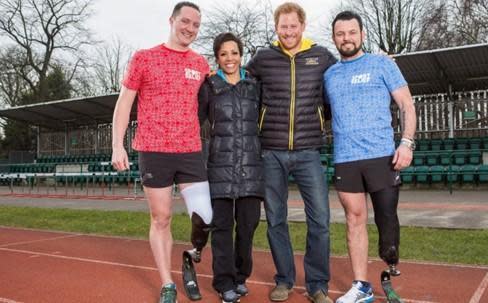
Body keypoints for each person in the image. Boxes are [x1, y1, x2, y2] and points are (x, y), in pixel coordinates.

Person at [111, 2, 212, 303]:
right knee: (162, 218)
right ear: (172, 20)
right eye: (185, 21)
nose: (190, 28)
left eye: (196, 25)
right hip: (154, 150)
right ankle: (167, 283)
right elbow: (124, 103)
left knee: (204, 215)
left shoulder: (201, 64)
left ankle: (191, 253)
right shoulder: (144, 58)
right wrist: (118, 144)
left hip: (190, 149)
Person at [245, 2, 337, 303]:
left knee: (320, 220)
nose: (288, 32)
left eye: (293, 26)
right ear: (276, 28)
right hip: (271, 151)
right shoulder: (262, 59)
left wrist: (377, 61)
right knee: (275, 219)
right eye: (283, 27)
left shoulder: (322, 57)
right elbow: (240, 86)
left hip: (309, 150)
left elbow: (342, 83)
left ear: (302, 25)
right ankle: (284, 279)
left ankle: (317, 284)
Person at [323, 11, 416, 303]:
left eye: (352, 32)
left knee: (386, 220)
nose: (346, 38)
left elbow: (407, 105)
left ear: (362, 34)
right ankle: (361, 286)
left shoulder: (381, 64)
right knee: (354, 219)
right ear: (334, 37)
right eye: (340, 34)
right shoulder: (329, 75)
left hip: (381, 156)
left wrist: (407, 143)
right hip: (346, 158)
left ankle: (389, 265)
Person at [198, 32, 264, 303]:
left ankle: (240, 277)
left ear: (241, 54)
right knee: (222, 229)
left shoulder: (255, 86)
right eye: (224, 54)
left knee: (247, 227)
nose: (230, 58)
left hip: (251, 170)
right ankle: (223, 281)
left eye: (234, 53)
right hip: (219, 170)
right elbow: (195, 123)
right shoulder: (209, 86)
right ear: (217, 57)